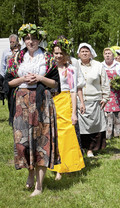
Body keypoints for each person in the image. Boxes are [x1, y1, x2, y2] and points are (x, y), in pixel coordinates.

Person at [4, 24, 59, 197]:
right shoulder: (16, 58)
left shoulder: (48, 58)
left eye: (34, 38)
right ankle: (30, 172)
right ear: (23, 40)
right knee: (23, 142)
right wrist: (23, 79)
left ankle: (39, 186)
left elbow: (56, 84)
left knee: (42, 142)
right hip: (22, 102)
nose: (31, 41)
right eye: (27, 38)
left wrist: (40, 78)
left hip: (42, 103)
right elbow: (8, 83)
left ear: (39, 39)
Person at [46, 38, 85, 180]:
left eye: (61, 53)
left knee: (66, 136)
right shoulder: (49, 69)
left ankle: (64, 168)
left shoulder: (71, 69)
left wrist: (74, 112)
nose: (58, 56)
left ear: (66, 54)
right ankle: (56, 164)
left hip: (66, 102)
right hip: (52, 101)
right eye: (56, 53)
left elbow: (74, 90)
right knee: (54, 135)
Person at [77, 43, 110, 157]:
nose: (85, 53)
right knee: (81, 127)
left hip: (95, 99)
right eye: (82, 51)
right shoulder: (75, 65)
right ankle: (81, 148)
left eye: (87, 51)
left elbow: (105, 82)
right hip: (79, 100)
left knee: (94, 126)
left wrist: (105, 98)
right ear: (79, 53)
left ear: (91, 53)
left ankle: (90, 149)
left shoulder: (98, 66)